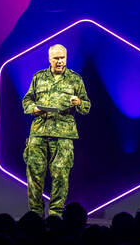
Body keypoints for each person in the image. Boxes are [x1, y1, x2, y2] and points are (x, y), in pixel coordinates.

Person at [21, 44, 91, 217]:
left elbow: (87, 106)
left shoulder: (75, 79)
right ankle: (35, 214)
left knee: (60, 175)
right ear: (49, 59)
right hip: (39, 132)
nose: (60, 61)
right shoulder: (39, 77)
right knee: (34, 175)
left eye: (62, 58)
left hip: (63, 134)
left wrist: (79, 103)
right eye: (56, 58)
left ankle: (55, 214)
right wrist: (34, 109)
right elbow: (26, 102)